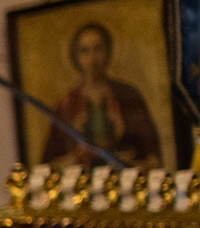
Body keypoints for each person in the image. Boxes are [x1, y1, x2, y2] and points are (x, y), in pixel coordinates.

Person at [40, 21, 165, 169]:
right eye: (84, 51)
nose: (92, 58)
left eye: (98, 48)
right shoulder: (67, 104)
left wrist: (126, 162)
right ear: (76, 56)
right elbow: (48, 165)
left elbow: (152, 156)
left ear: (107, 51)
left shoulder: (128, 96)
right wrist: (76, 158)